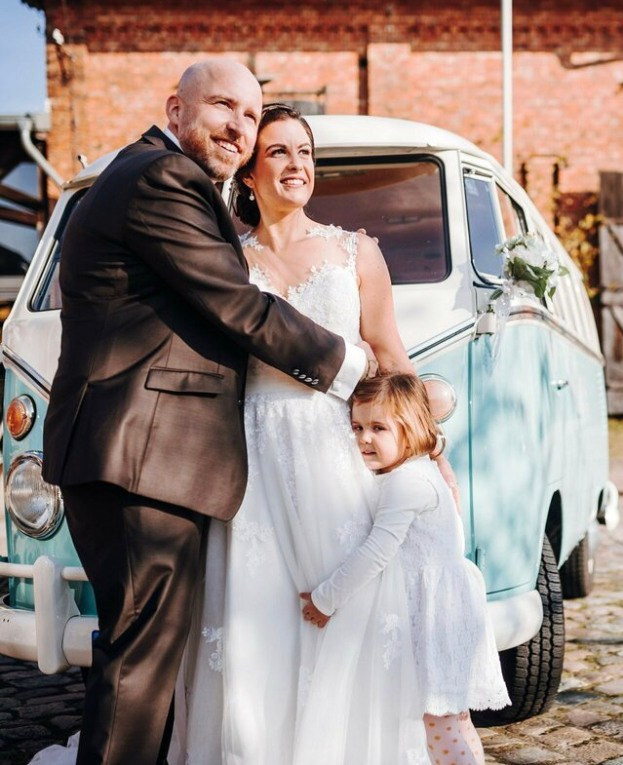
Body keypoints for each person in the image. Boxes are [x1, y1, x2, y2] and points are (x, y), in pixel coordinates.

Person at [40, 60, 376, 765]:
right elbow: (237, 304)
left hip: (145, 458)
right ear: (176, 105)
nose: (238, 127)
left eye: (250, 116)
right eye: (223, 106)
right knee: (138, 668)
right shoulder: (161, 177)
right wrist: (350, 364)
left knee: (145, 663)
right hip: (142, 462)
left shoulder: (156, 179)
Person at [179, 104, 429, 764]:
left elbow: (391, 354)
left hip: (338, 452)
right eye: (281, 153)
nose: (298, 165)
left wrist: (424, 450)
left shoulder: (357, 251)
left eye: (307, 153)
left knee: (343, 607)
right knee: (259, 621)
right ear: (251, 176)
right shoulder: (226, 258)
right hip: (251, 456)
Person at [301, 373, 510, 765]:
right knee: (454, 716)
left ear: (411, 427)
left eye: (378, 428)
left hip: (434, 616)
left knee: (438, 722)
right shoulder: (421, 472)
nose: (363, 438)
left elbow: (377, 550)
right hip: (450, 605)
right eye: (357, 427)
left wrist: (325, 599)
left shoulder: (405, 483)